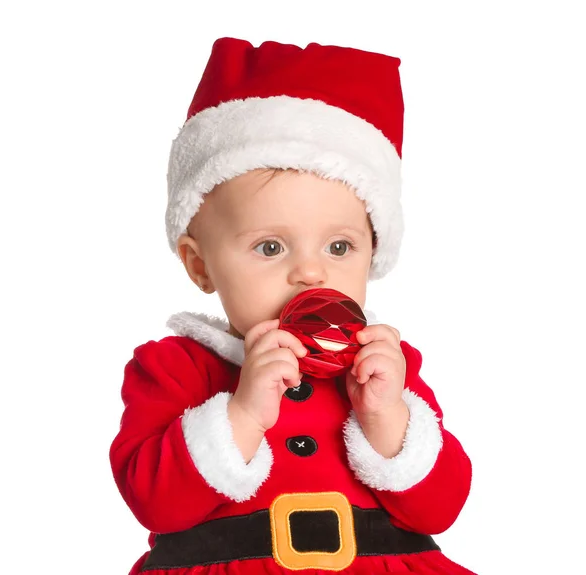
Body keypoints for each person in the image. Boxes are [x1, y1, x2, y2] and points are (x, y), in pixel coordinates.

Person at [110, 36, 476, 575]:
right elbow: (155, 502)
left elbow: (440, 510)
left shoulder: (386, 366)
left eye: (339, 247)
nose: (311, 272)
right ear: (200, 265)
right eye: (270, 247)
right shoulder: (173, 367)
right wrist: (242, 413)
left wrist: (387, 416)